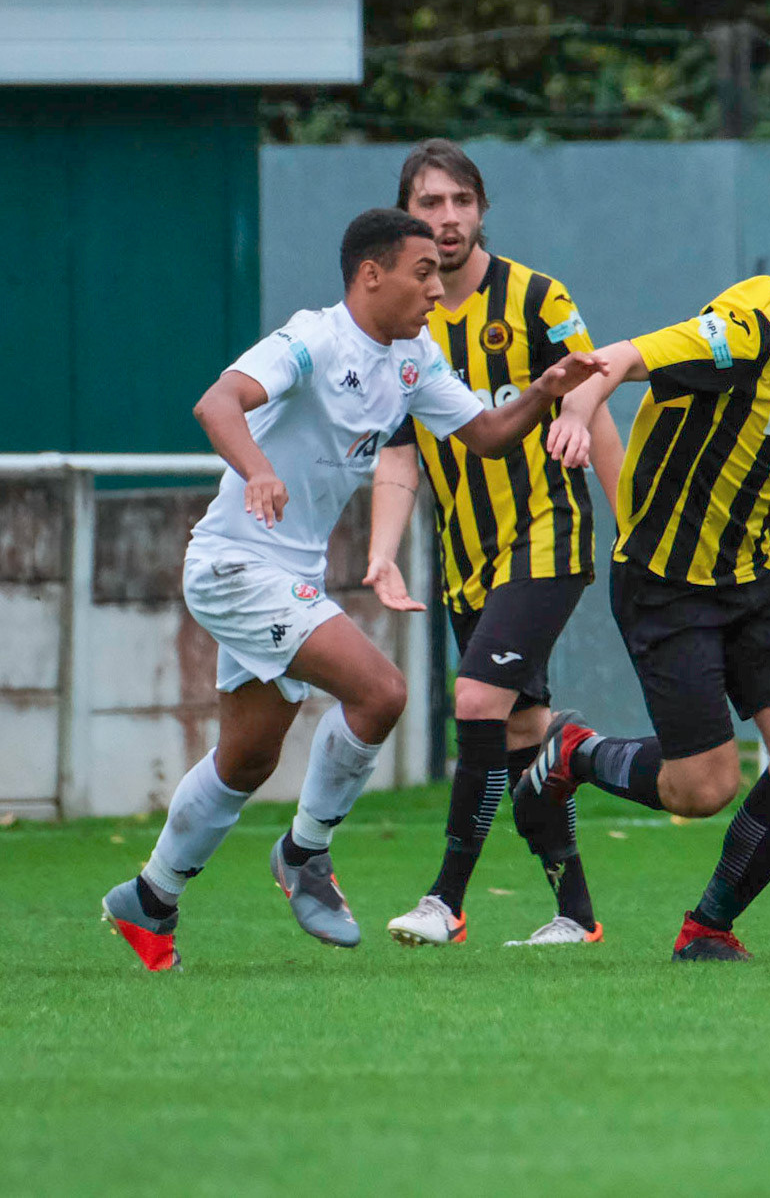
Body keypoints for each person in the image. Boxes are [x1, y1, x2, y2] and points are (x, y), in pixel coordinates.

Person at [100, 209, 597, 972]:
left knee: (247, 757)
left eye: (440, 274)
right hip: (235, 562)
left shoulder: (414, 359)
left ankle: (151, 897)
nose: (437, 290)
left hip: (287, 575)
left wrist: (544, 393)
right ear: (372, 274)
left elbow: (489, 435)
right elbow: (217, 403)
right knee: (382, 692)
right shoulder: (315, 338)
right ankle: (304, 854)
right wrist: (256, 470)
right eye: (422, 272)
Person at [514, 193, 770, 961]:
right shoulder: (743, 332)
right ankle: (573, 750)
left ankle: (707, 927)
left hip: (760, 574)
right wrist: (575, 410)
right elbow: (621, 357)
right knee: (701, 788)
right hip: (666, 580)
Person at [367, 140, 626, 949]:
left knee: (475, 701)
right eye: (429, 203)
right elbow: (401, 452)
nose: (445, 218)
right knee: (522, 731)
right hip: (467, 560)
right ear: (406, 215)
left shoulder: (538, 298)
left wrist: (638, 533)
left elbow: (593, 396)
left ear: (482, 209)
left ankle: (445, 899)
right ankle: (576, 914)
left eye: (459, 202)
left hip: (545, 537)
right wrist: (381, 553)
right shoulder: (404, 325)